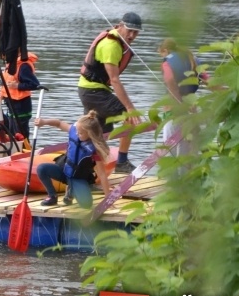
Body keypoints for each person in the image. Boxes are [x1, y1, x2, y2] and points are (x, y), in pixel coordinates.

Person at [77, 12, 143, 173]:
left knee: (99, 134)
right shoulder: (111, 45)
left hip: (92, 90)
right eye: (129, 30)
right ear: (120, 26)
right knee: (130, 118)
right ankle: (122, 161)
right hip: (93, 91)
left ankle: (85, 170)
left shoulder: (116, 40)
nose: (132, 35)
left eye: (136, 32)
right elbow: (114, 79)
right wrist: (130, 108)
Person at [34, 110, 112, 208]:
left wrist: (108, 198)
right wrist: (44, 122)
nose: (77, 134)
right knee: (42, 168)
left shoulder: (95, 149)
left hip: (77, 178)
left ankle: (71, 191)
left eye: (81, 133)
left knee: (86, 205)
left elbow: (102, 174)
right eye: (77, 132)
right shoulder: (74, 130)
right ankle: (52, 196)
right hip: (64, 172)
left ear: (90, 134)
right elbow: (58, 123)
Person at [158, 38, 209, 156]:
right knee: (191, 152)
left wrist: (179, 103)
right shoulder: (194, 60)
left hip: (173, 113)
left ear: (165, 50)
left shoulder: (167, 63)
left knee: (172, 152)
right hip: (192, 112)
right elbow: (209, 81)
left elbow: (170, 80)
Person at [0, 52, 40, 141]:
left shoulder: (23, 66)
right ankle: (14, 150)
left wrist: (18, 86)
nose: (2, 56)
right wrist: (1, 95)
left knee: (21, 134)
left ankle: (24, 150)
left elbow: (35, 84)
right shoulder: (10, 64)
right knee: (12, 132)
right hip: (10, 104)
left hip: (21, 106)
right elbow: (5, 83)